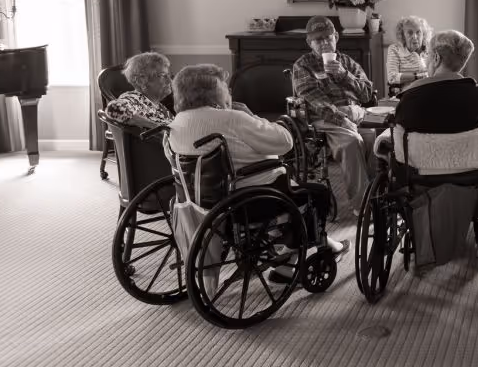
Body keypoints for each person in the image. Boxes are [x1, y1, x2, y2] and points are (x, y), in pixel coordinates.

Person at [164, 64, 348, 265]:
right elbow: (284, 143)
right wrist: (251, 116)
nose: (228, 91)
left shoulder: (176, 123)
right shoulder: (231, 118)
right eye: (225, 87)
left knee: (290, 185)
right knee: (317, 193)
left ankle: (298, 248)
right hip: (251, 200)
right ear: (213, 91)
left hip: (201, 201)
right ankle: (289, 263)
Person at [379, 30, 478, 260]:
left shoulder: (409, 97)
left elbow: (399, 137)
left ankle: (419, 230)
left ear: (435, 58)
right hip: (471, 176)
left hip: (418, 175)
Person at [291, 15, 378, 215]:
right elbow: (316, 101)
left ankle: (376, 196)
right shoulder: (302, 66)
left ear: (336, 37)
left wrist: (343, 75)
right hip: (325, 119)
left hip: (356, 113)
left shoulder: (347, 62)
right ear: (309, 42)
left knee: (377, 138)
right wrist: (342, 119)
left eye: (327, 37)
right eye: (318, 39)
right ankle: (362, 206)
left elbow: (366, 94)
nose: (323, 43)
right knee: (351, 142)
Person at [103, 52, 174, 128]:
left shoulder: (161, 107)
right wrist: (156, 128)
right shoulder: (135, 99)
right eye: (163, 75)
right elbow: (114, 109)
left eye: (169, 75)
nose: (170, 80)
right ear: (141, 80)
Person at [386, 15, 431, 93]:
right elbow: (392, 77)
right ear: (403, 36)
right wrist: (418, 76)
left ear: (423, 34)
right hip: (407, 93)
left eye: (418, 32)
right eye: (410, 33)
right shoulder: (395, 49)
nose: (415, 36)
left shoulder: (430, 50)